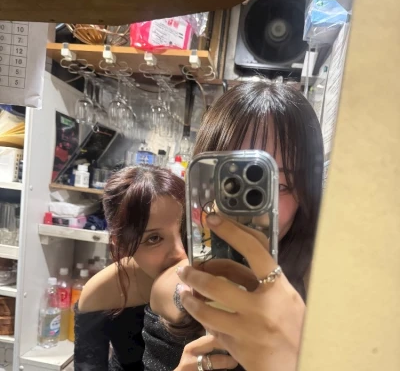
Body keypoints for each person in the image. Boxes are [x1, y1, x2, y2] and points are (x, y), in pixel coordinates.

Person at [149, 79, 324, 371]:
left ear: (307, 194)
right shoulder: (176, 296)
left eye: (280, 185)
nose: (254, 213)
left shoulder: (331, 303)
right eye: (232, 183)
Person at [74, 165, 236, 371]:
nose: (180, 251)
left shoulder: (214, 276)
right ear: (121, 245)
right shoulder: (103, 291)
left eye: (185, 229)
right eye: (154, 238)